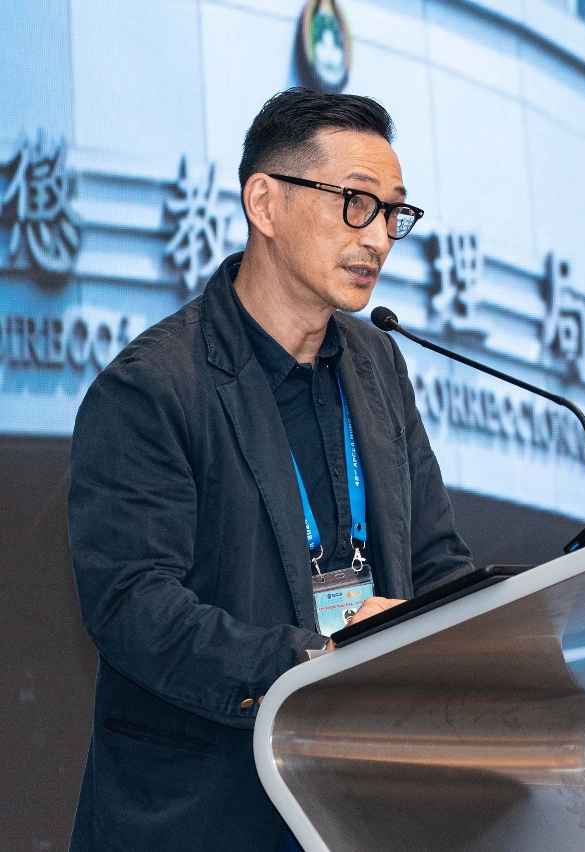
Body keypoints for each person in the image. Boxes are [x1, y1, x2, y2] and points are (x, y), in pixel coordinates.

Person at [67, 88, 473, 851]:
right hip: (204, 815)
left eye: (393, 213)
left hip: (360, 805)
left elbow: (434, 558)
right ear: (265, 202)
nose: (378, 238)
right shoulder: (154, 386)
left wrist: (497, 625)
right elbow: (133, 605)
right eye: (356, 203)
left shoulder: (379, 364)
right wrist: (319, 661)